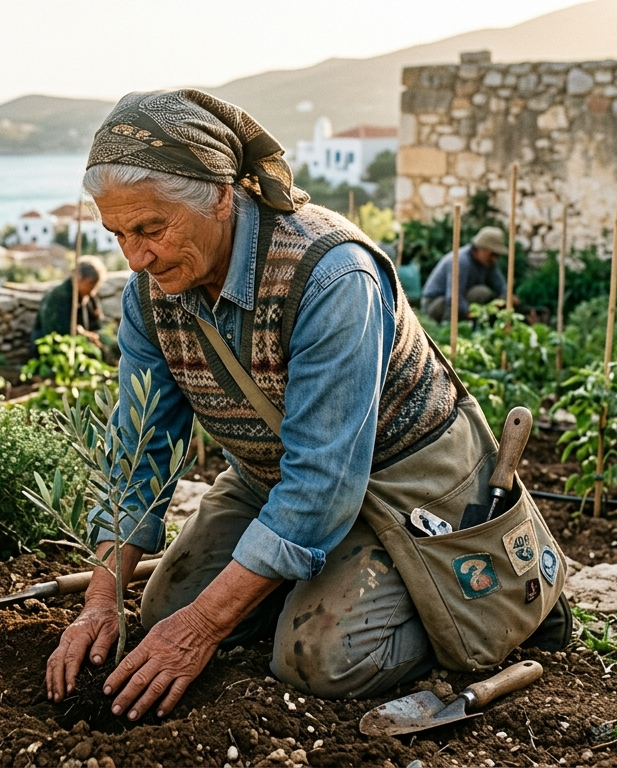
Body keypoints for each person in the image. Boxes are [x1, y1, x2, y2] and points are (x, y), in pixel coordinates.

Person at [43, 89, 567, 722]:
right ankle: (309, 576)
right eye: (118, 233)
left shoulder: (330, 276)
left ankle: (491, 602)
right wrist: (101, 597)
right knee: (159, 611)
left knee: (320, 659)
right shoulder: (149, 300)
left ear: (219, 193)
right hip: (275, 477)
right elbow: (138, 456)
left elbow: (323, 484)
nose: (136, 256)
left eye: (152, 228)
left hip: (406, 481)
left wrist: (204, 628)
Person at [419, 227, 508, 321]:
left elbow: (501, 287)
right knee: (477, 295)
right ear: (480, 248)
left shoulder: (488, 264)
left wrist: (506, 300)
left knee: (483, 293)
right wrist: (471, 314)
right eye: (492, 254)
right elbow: (453, 297)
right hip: (435, 303)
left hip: (456, 300)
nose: (494, 259)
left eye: (497, 255)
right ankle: (448, 328)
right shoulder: (460, 261)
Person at [30, 256, 106, 352]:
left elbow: (97, 324)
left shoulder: (89, 297)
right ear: (79, 278)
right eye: (90, 284)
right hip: (50, 349)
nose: (92, 290)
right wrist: (82, 333)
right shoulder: (57, 296)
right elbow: (55, 332)